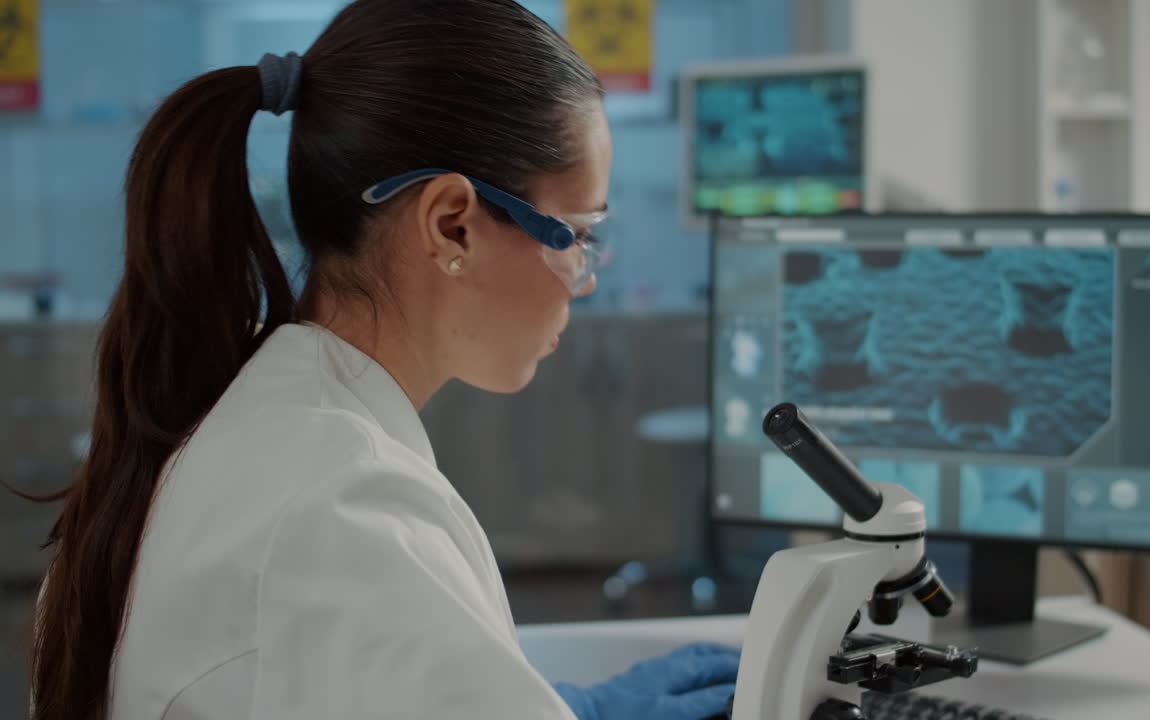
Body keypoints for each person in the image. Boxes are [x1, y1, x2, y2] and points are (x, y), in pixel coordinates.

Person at [24, 1, 740, 718]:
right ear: (451, 224)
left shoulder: (270, 421)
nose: (583, 276)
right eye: (576, 234)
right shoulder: (345, 514)